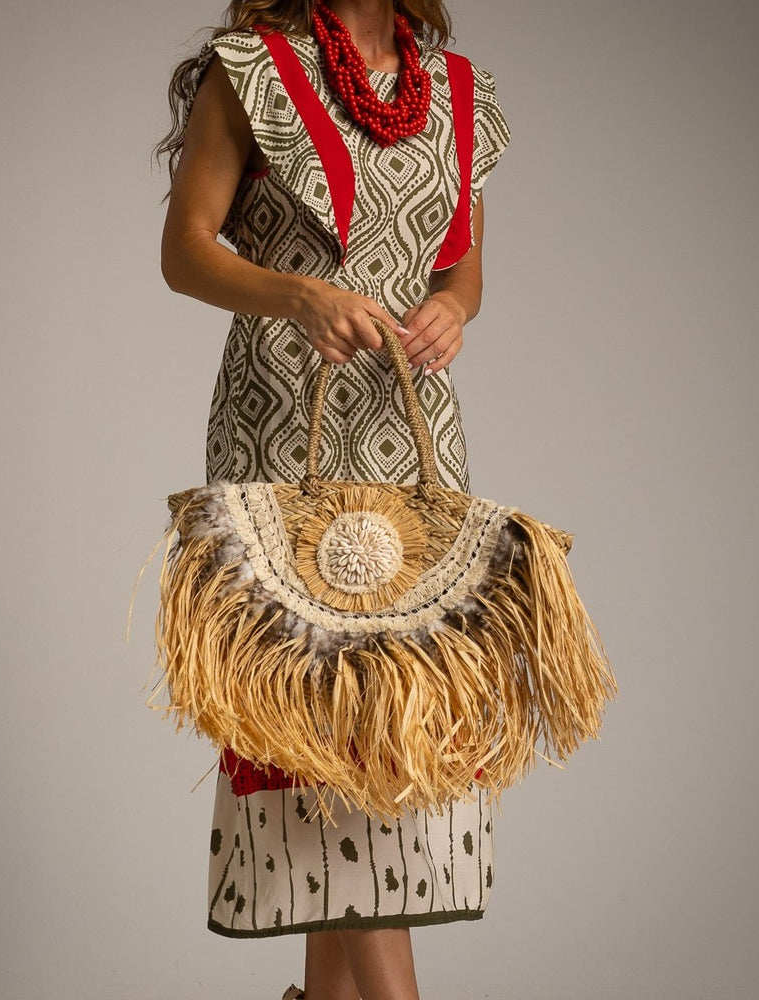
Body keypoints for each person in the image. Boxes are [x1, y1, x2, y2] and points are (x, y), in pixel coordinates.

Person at [154, 1, 509, 997]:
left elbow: (461, 265)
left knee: (384, 736)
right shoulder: (254, 69)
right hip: (282, 428)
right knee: (322, 735)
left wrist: (451, 307)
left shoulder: (456, 91)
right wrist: (296, 292)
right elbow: (184, 250)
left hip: (412, 433)